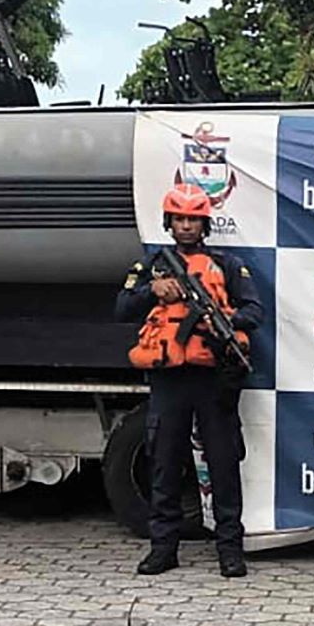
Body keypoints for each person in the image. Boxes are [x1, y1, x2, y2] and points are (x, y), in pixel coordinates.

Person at [116, 182, 262, 579]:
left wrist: (223, 322)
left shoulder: (228, 265)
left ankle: (230, 549)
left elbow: (255, 310)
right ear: (169, 222)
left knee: (223, 464)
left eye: (193, 220)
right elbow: (122, 307)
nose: (185, 226)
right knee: (163, 462)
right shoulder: (152, 265)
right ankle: (163, 548)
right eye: (179, 219)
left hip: (214, 377)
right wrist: (153, 291)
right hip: (169, 381)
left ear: (204, 224)